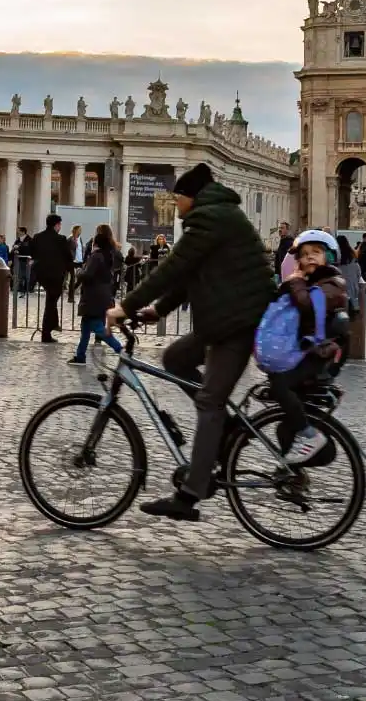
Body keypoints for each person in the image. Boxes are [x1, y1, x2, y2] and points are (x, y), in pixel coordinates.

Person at [107, 162, 274, 522]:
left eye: (177, 197)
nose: (175, 205)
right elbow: (190, 274)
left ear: (189, 196)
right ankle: (226, 431)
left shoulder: (210, 219)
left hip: (237, 323)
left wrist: (126, 306)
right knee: (175, 359)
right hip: (223, 319)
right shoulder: (218, 215)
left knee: (209, 403)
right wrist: (158, 310)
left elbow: (172, 269)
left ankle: (191, 493)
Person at [262, 229, 350, 464]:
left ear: (329, 257)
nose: (310, 257)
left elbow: (308, 304)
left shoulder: (333, 283)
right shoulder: (304, 282)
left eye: (317, 252)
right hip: (305, 350)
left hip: (321, 354)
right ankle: (293, 473)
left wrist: (296, 282)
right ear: (297, 260)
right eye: (305, 254)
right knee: (284, 428)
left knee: (280, 383)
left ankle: (310, 436)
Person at [68, 224, 124, 365]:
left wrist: (80, 272)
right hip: (103, 294)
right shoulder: (108, 255)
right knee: (85, 326)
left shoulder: (96, 256)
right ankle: (80, 356)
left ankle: (120, 349)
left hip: (93, 296)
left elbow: (87, 274)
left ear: (95, 243)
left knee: (97, 327)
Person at [31, 213, 72, 343]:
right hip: (56, 276)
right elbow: (68, 256)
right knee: (51, 303)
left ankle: (52, 326)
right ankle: (47, 332)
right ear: (57, 225)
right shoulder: (61, 239)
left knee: (51, 301)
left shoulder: (37, 237)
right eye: (60, 224)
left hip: (42, 275)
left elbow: (33, 253)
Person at [11, 227, 32, 293]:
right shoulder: (18, 239)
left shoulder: (29, 239)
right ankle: (19, 287)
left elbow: (28, 248)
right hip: (17, 259)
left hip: (25, 259)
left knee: (25, 274)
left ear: (23, 232)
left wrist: (19, 247)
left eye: (19, 231)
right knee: (18, 274)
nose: (18, 232)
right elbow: (14, 246)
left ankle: (25, 288)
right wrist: (14, 248)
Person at [67, 225, 85, 301]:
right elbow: (67, 249)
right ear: (76, 230)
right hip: (73, 261)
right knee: (73, 278)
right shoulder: (70, 238)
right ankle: (70, 297)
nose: (81, 231)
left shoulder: (80, 238)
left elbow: (80, 249)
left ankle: (72, 290)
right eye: (79, 230)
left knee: (81, 278)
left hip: (80, 261)